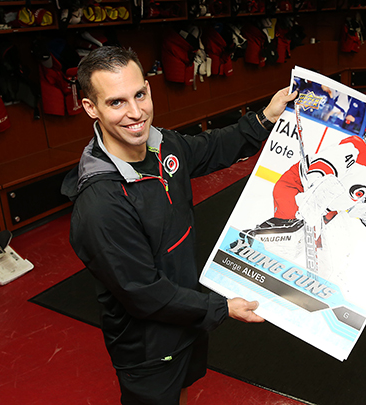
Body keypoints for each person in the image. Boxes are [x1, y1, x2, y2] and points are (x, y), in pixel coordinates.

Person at [61, 46, 295, 405]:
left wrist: (264, 117)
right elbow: (143, 293)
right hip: (148, 343)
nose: (136, 113)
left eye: (140, 94)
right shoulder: (101, 206)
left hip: (187, 315)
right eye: (117, 102)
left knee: (183, 391)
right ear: (91, 108)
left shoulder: (162, 144)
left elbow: (211, 147)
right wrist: (220, 308)